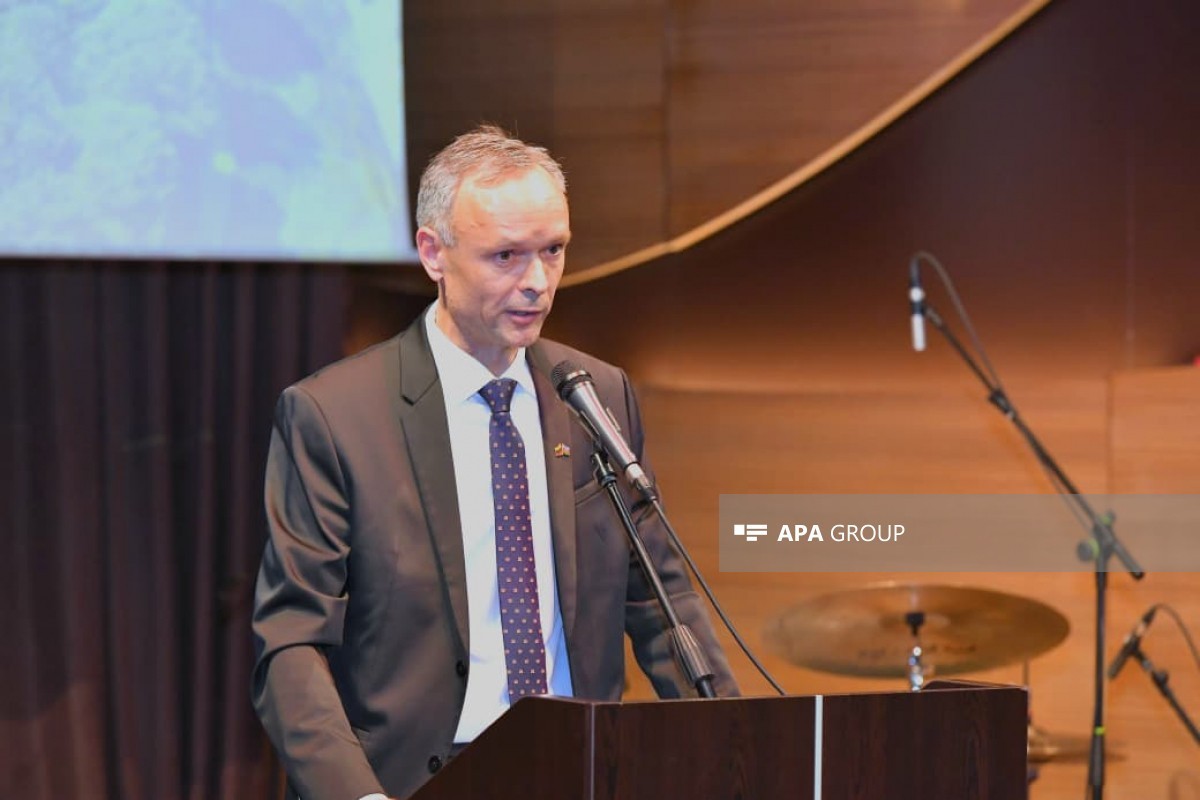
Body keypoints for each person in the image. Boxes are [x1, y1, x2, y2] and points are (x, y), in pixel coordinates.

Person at [250, 125, 738, 800]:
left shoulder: (595, 395)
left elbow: (661, 600)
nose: (537, 283)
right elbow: (291, 641)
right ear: (434, 252)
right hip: (411, 781)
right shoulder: (334, 416)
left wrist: (738, 753)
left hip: (582, 768)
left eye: (553, 251)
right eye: (506, 256)